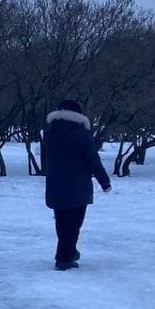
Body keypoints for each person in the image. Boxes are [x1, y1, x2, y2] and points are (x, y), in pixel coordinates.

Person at [41, 99, 111, 271]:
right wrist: (104, 181)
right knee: (74, 223)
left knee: (62, 221)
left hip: (56, 183)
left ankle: (68, 252)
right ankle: (64, 257)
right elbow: (92, 159)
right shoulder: (81, 134)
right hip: (77, 184)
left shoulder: (50, 133)